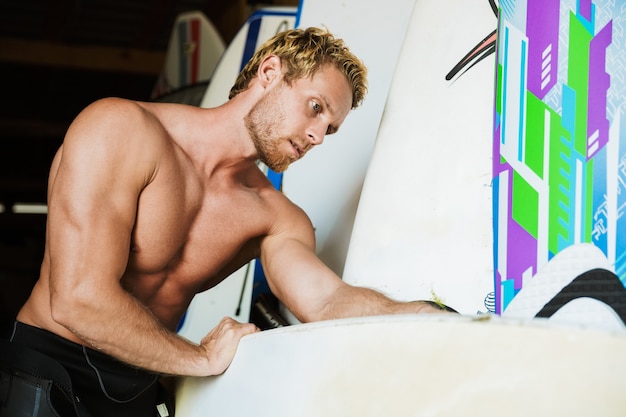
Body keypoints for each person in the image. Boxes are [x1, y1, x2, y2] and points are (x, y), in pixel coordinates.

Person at [1, 27, 453, 417]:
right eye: (315, 108)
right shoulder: (120, 129)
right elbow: (78, 299)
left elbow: (327, 301)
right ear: (270, 72)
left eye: (331, 129)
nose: (318, 135)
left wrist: (421, 314)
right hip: (48, 367)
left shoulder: (276, 217)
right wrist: (199, 358)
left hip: (137, 387)